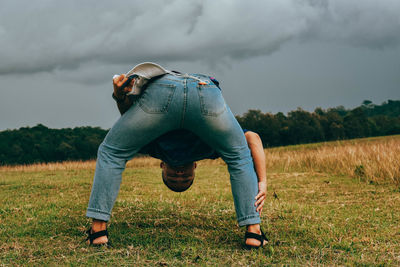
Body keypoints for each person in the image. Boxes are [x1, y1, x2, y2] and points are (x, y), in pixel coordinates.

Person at [86, 69, 267, 248]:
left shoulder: (153, 146)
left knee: (112, 152)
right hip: (204, 89)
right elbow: (253, 139)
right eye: (184, 178)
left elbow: (129, 120)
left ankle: (98, 231)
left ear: (162, 164)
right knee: (238, 155)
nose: (180, 173)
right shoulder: (207, 149)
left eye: (174, 177)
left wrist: (120, 96)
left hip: (165, 89)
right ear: (195, 166)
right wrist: (263, 182)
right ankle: (253, 231)